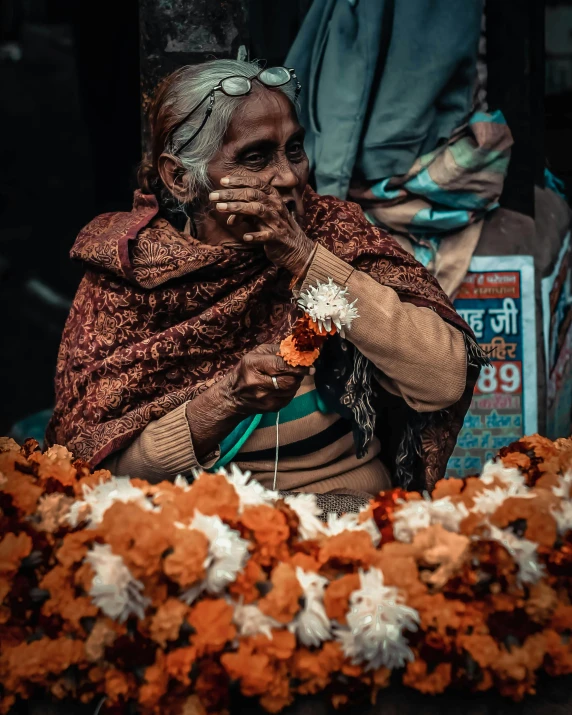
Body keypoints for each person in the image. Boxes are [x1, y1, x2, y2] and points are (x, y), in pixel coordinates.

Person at [46, 60, 484, 509]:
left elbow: (444, 378)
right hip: (201, 527)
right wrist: (222, 403)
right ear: (180, 178)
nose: (290, 176)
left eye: (294, 149)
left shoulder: (332, 233)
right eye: (256, 157)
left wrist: (305, 258)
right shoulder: (131, 276)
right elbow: (97, 474)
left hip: (345, 510)